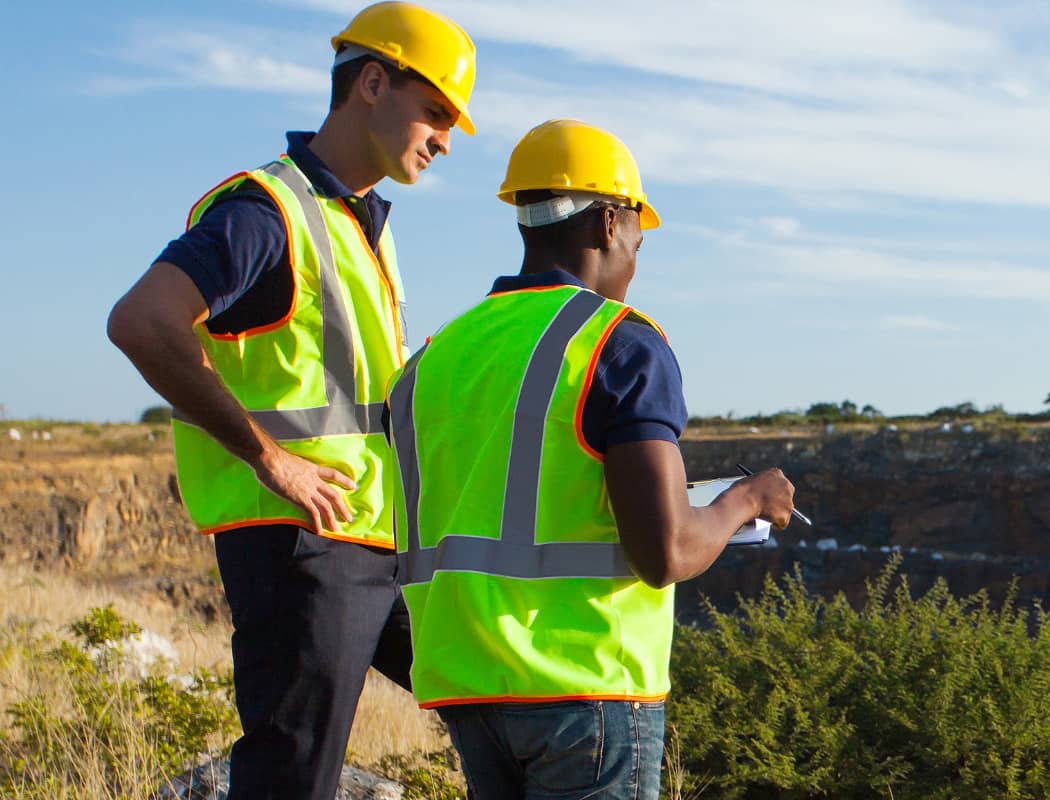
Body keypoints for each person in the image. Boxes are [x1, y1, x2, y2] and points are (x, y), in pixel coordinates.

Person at [104, 4, 476, 797]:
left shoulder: (363, 223)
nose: (445, 138)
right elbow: (141, 322)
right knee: (292, 778)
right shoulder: (263, 210)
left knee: (496, 697)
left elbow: (342, 386)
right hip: (303, 546)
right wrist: (272, 461)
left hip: (378, 538)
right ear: (372, 82)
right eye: (437, 111)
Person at [386, 118, 796, 800]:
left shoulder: (435, 357)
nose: (638, 253)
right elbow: (667, 552)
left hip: (468, 690)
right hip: (586, 692)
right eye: (639, 232)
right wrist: (748, 500)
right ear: (610, 223)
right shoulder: (619, 344)